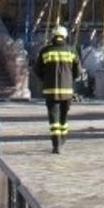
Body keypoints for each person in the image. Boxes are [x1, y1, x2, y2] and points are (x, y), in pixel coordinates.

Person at [38, 25, 75, 153]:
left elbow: (37, 70)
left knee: (54, 119)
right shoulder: (71, 51)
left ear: (53, 36)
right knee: (63, 117)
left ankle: (56, 145)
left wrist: (46, 79)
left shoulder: (45, 51)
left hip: (50, 90)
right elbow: (78, 71)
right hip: (67, 91)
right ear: (64, 36)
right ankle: (63, 138)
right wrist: (70, 79)